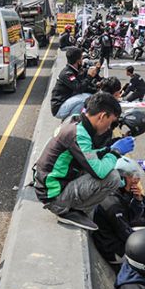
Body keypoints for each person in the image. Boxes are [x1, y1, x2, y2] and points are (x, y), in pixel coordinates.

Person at [34, 92, 135, 231]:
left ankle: (74, 207)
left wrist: (108, 150)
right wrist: (115, 152)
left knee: (110, 167)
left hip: (52, 185)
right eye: (111, 122)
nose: (110, 128)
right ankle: (70, 211)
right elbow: (99, 172)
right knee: (113, 177)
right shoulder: (78, 134)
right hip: (54, 197)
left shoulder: (77, 123)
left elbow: (90, 156)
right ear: (102, 116)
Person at [50, 47, 99, 120]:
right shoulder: (67, 73)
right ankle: (72, 122)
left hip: (66, 102)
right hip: (59, 108)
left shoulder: (74, 71)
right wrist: (89, 76)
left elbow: (84, 87)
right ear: (78, 61)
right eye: (81, 58)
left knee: (85, 100)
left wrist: (97, 88)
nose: (82, 61)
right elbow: (79, 88)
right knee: (87, 98)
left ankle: (72, 120)